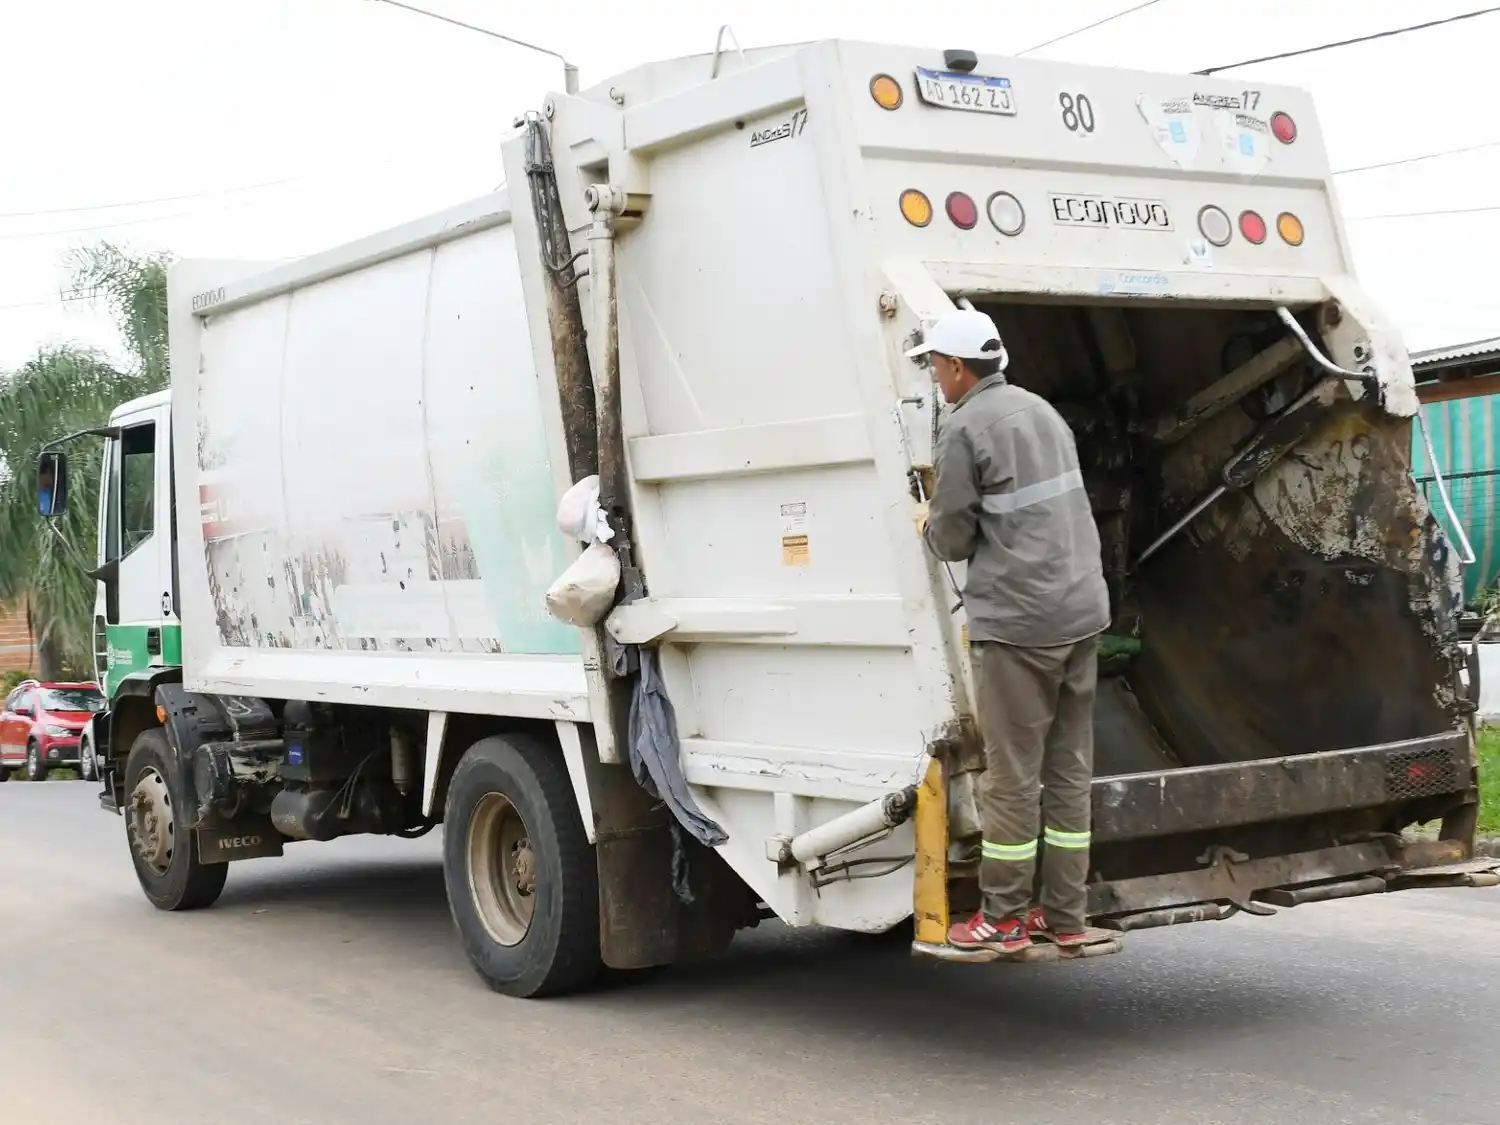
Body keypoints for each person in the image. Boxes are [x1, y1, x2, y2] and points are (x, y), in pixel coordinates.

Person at [909, 308, 1110, 954]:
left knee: (1013, 778)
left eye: (934, 365)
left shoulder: (964, 427)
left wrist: (926, 521)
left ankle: (1002, 918)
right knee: (1069, 771)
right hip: (1082, 613)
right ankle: (1067, 914)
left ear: (958, 367)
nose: (934, 376)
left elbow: (952, 539)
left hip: (1022, 626)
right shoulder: (1043, 412)